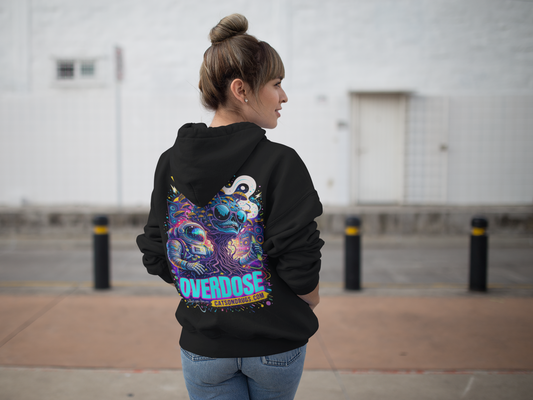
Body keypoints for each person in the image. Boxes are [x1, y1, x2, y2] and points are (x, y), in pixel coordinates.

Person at [136, 13, 323, 400]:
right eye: (276, 84)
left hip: (204, 347)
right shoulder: (281, 162)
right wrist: (311, 298)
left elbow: (157, 250)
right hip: (275, 342)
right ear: (241, 90)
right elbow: (298, 255)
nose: (284, 96)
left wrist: (202, 289)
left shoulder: (170, 162)